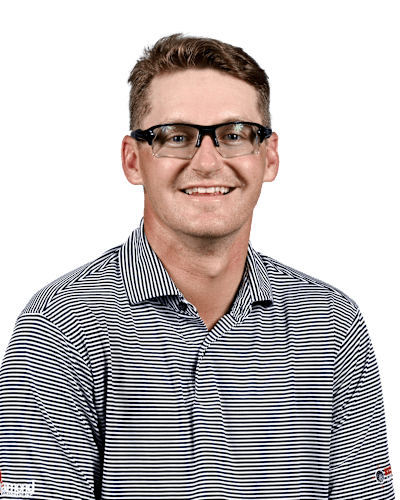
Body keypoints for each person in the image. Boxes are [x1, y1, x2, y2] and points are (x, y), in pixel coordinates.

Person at [0, 32, 395, 500]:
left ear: (269, 157)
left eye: (234, 135)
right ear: (132, 161)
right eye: (177, 137)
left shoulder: (335, 326)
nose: (207, 162)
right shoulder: (58, 330)